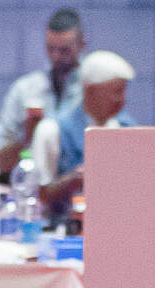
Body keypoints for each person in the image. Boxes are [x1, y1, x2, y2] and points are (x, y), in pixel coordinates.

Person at [32, 49, 136, 223]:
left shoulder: (128, 130)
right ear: (90, 90)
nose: (121, 100)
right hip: (65, 230)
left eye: (124, 91)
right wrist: (71, 181)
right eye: (116, 91)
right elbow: (37, 197)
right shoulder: (51, 130)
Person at [0, 7, 85, 177]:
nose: (56, 57)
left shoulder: (92, 92)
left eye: (64, 50)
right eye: (50, 48)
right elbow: (2, 163)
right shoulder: (23, 90)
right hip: (32, 184)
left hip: (80, 187)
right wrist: (27, 139)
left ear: (82, 45)